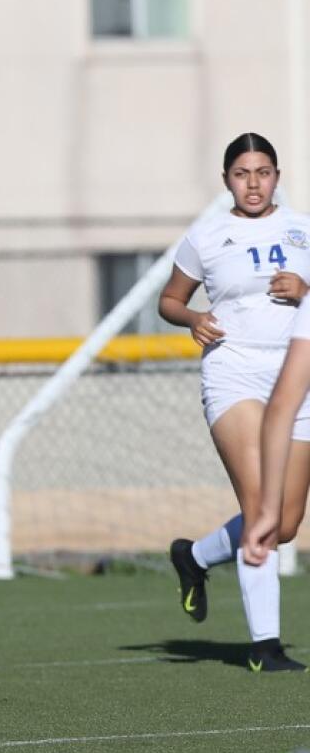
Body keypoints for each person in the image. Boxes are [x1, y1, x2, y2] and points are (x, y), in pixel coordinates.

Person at [160, 132, 310, 671]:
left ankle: (194, 556)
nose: (254, 183)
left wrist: (307, 291)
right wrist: (194, 317)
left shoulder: (303, 231)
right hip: (235, 374)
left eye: (264, 172)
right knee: (259, 509)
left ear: (277, 176)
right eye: (243, 173)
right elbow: (170, 301)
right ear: (227, 179)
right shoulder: (206, 236)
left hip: (296, 375)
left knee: (286, 524)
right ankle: (265, 646)